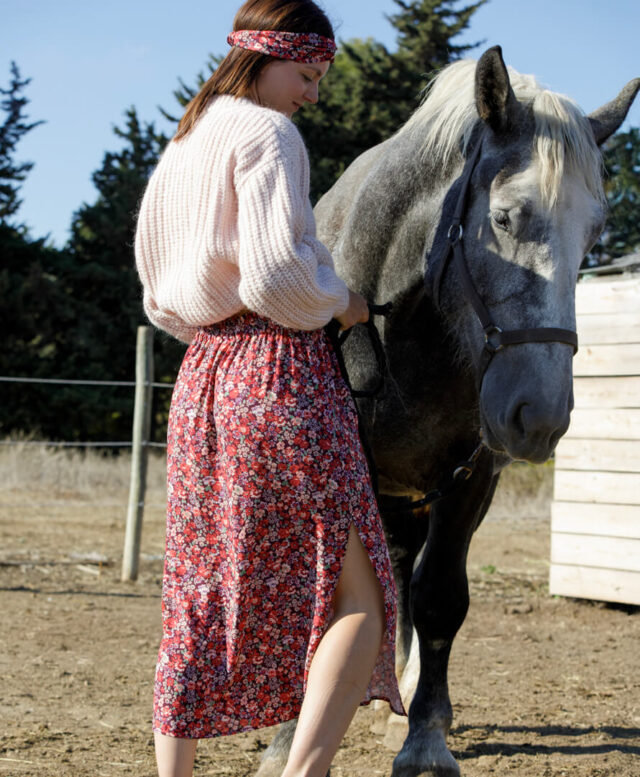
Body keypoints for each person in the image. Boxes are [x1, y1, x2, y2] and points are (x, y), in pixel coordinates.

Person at [135, 1, 405, 775]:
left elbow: (159, 293)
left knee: (199, 580)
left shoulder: (185, 141)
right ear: (267, 58)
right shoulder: (267, 134)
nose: (313, 95)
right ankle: (304, 772)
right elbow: (280, 278)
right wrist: (342, 303)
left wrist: (222, 334)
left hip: (204, 377)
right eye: (308, 74)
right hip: (281, 370)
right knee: (361, 593)